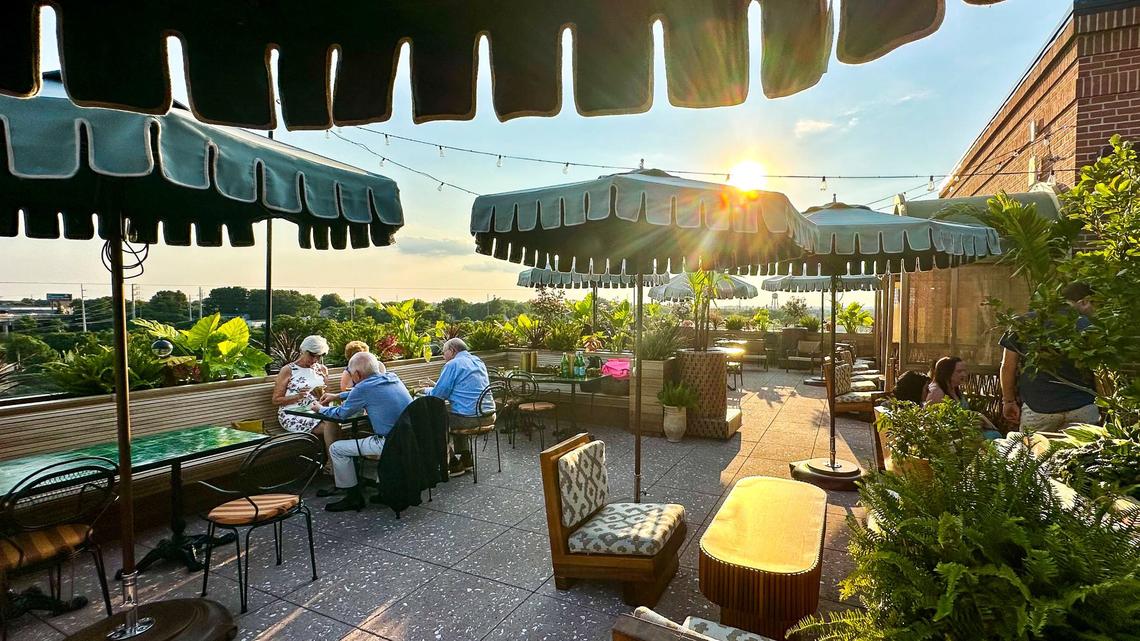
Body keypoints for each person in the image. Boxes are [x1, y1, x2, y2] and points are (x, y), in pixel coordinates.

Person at [310, 352, 413, 512]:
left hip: (388, 442)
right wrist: (337, 395)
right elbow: (365, 391)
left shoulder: (363, 388)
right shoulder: (392, 377)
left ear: (357, 374)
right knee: (356, 441)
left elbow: (341, 414)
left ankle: (353, 497)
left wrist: (320, 409)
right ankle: (383, 490)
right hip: (409, 438)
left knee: (336, 449)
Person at [998, 282, 1100, 433]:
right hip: (1082, 407)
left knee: (1033, 448)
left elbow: (1008, 366)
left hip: (1038, 408)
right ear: (1083, 302)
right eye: (1094, 305)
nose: (1095, 310)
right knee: (1083, 448)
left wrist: (1008, 401)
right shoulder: (1090, 326)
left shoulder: (1022, 323)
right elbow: (1100, 370)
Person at [422, 338, 495, 476]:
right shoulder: (478, 361)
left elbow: (438, 395)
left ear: (452, 350)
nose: (443, 356)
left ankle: (453, 462)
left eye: (444, 352)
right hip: (489, 415)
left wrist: (424, 390)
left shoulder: (453, 364)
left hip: (470, 419)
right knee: (457, 410)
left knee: (434, 420)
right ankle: (466, 458)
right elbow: (464, 390)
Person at [273, 335, 340, 459]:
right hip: (292, 414)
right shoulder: (288, 370)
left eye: (319, 356)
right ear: (303, 351)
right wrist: (298, 396)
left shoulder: (322, 369)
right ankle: (334, 463)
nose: (315, 359)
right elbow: (276, 400)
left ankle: (333, 463)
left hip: (316, 411)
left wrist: (322, 395)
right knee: (332, 426)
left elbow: (327, 395)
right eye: (312, 355)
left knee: (335, 422)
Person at [925, 356, 1002, 439]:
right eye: (959, 371)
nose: (964, 374)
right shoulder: (936, 392)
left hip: (964, 431)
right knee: (994, 436)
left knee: (995, 435)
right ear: (947, 373)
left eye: (964, 371)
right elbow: (934, 422)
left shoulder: (954, 389)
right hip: (950, 436)